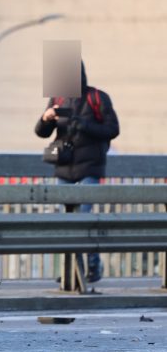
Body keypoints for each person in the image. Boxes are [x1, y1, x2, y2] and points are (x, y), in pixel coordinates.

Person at [35, 61, 119, 282]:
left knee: (83, 217)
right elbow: (42, 133)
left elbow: (112, 129)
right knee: (65, 222)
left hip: (89, 167)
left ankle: (91, 266)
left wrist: (82, 124)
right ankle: (70, 270)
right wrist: (45, 119)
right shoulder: (57, 99)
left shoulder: (97, 98)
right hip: (63, 168)